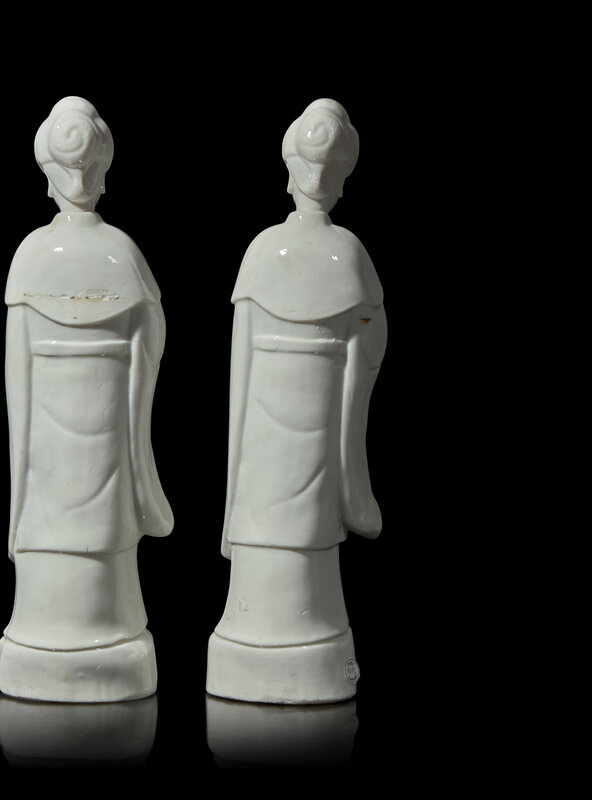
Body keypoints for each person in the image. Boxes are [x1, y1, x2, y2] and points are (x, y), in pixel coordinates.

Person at [207, 99, 387, 704]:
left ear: (290, 170)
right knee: (303, 538)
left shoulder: (263, 252)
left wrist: (230, 499)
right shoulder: (349, 255)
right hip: (314, 432)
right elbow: (369, 345)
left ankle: (264, 637)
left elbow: (239, 374)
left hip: (265, 439)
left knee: (270, 528)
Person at [0, 97, 173, 702]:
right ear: (101, 173)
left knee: (51, 512)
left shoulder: (30, 257)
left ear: (48, 177)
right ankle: (103, 628)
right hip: (105, 443)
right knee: (103, 523)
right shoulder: (122, 253)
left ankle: (64, 629)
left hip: (47, 454)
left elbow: (16, 381)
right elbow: (152, 339)